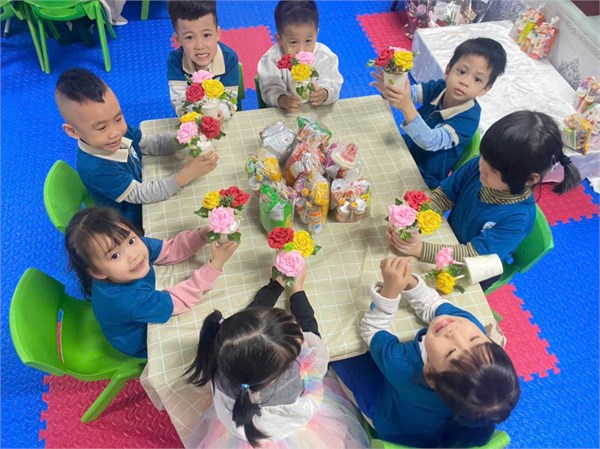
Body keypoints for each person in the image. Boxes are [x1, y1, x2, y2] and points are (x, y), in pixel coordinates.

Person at [333, 257, 520, 447]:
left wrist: (389, 292)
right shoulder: (470, 329)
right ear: (490, 340)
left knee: (341, 358)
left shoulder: (404, 366)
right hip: (432, 423)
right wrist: (409, 283)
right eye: (474, 339)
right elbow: (432, 304)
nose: (455, 332)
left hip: (394, 423)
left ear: (429, 372)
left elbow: (372, 329)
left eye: (451, 352)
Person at [388, 111, 582, 289]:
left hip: (472, 269)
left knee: (413, 289)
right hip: (450, 240)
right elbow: (444, 195)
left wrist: (420, 249)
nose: (482, 167)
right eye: (484, 157)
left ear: (529, 179)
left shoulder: (518, 219)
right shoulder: (479, 166)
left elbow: (473, 256)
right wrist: (413, 223)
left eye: (494, 170)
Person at [185, 268, 369, 448]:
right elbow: (312, 333)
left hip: (241, 431)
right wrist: (297, 289)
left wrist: (277, 284)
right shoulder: (296, 379)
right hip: (294, 432)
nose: (301, 338)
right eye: (297, 341)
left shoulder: (223, 356)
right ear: (273, 379)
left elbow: (249, 327)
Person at [55, 68, 218, 231]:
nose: (115, 132)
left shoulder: (118, 133)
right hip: (131, 224)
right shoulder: (96, 168)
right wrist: (186, 175)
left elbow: (152, 144)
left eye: (118, 118)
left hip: (144, 186)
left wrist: (186, 135)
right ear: (73, 131)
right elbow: (141, 194)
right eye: (102, 127)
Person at [65, 207, 238, 358]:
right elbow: (175, 302)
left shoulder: (130, 247)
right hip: (139, 340)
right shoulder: (125, 300)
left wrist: (201, 235)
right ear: (98, 272)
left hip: (138, 307)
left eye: (131, 240)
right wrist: (215, 265)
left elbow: (169, 249)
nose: (134, 256)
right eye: (115, 256)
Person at [372, 37, 507, 189]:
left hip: (424, 177)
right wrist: (391, 89)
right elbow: (409, 94)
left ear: (485, 89)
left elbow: (431, 141)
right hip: (405, 148)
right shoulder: (439, 87)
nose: (465, 81)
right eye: (462, 71)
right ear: (448, 71)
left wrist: (407, 106)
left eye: (477, 79)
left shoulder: (469, 119)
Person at [257, 0, 343, 113]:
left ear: (316, 34)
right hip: (285, 113)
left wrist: (325, 93)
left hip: (317, 112)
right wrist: (283, 100)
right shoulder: (272, 59)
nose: (301, 50)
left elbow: (333, 84)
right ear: (280, 39)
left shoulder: (325, 57)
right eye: (293, 42)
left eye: (308, 41)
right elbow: (269, 89)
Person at [167, 0, 239, 119]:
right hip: (192, 118)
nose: (199, 46)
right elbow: (179, 101)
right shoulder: (176, 61)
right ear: (178, 39)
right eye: (189, 37)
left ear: (217, 33)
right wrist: (196, 118)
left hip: (224, 117)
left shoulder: (228, 58)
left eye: (206, 35)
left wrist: (220, 114)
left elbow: (230, 99)